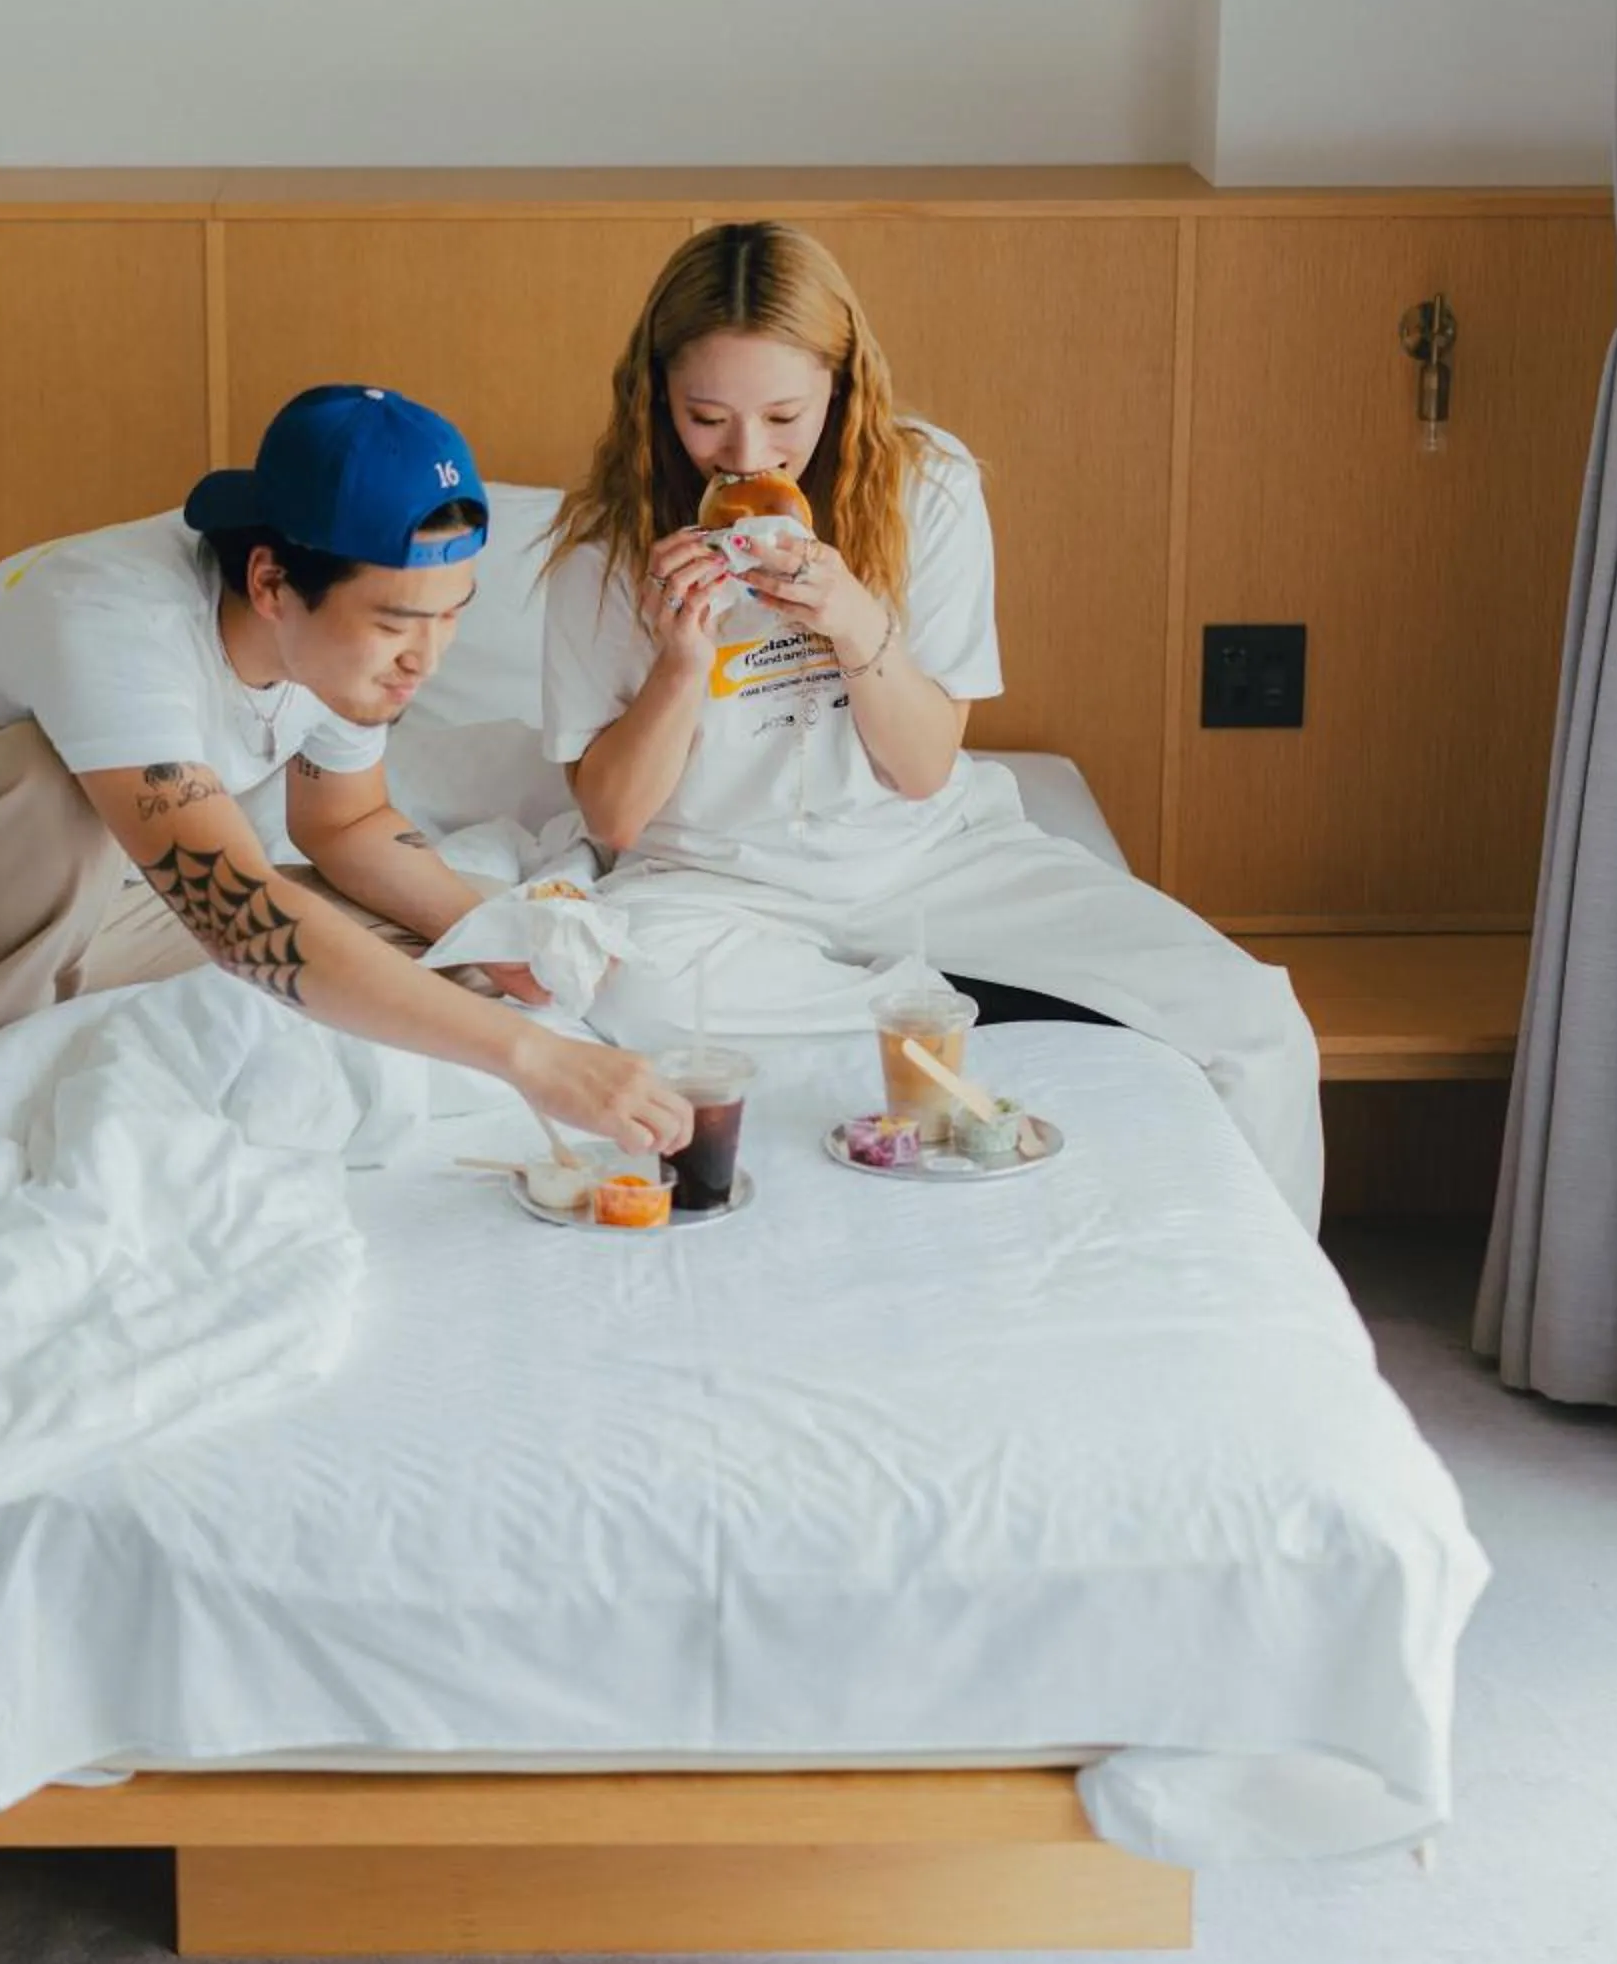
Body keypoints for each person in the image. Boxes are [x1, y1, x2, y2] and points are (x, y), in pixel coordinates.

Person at [542, 224, 1322, 1225]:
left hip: (930, 858)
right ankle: (962, 1021)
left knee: (1254, 1021)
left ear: (841, 387)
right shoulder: (601, 550)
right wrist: (680, 663)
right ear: (656, 398)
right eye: (705, 418)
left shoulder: (926, 489)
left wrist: (850, 616)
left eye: (784, 416)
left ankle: (1258, 1326)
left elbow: (920, 770)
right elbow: (611, 822)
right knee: (631, 999)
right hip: (712, 885)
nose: (747, 454)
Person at [0, 384, 691, 1157]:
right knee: (49, 785)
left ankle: (68, 1026)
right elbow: (237, 912)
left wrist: (493, 936)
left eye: (451, 615)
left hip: (103, 903)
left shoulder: (333, 647)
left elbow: (346, 825)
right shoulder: (111, 621)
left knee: (439, 959)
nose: (427, 660)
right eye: (397, 624)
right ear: (271, 583)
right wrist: (532, 1060)